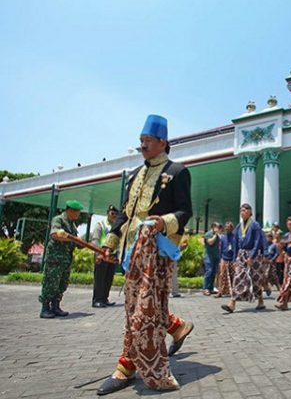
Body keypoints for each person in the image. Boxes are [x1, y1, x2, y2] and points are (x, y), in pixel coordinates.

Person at [96, 114, 194, 395]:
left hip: (156, 255)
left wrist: (165, 221)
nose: (142, 145)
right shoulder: (135, 175)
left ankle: (126, 365)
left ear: (163, 141)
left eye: (147, 140)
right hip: (132, 253)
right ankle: (177, 327)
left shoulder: (177, 172)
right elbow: (125, 215)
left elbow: (185, 211)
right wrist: (110, 244)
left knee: (142, 310)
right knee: (142, 307)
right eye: (140, 140)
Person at [39, 200, 83, 319]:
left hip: (66, 258)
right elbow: (54, 235)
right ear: (70, 210)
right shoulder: (58, 220)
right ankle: (45, 308)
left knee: (62, 283)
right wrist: (73, 239)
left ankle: (56, 306)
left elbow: (73, 239)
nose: (78, 214)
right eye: (77, 212)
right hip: (55, 258)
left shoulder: (71, 224)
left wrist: (79, 243)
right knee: (51, 282)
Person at [221, 204, 266, 313]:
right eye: (241, 210)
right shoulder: (238, 227)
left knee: (255, 279)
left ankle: (260, 301)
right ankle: (232, 304)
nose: (242, 212)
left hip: (253, 255)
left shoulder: (255, 225)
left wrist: (252, 256)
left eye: (245, 210)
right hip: (241, 255)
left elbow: (257, 242)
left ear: (250, 212)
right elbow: (235, 244)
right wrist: (235, 258)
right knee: (238, 277)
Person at [91, 204, 118, 308]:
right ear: (107, 213)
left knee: (108, 279)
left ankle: (104, 299)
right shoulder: (100, 224)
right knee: (99, 279)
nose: (114, 215)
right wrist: (98, 253)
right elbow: (95, 239)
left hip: (111, 257)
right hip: (101, 255)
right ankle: (97, 300)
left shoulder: (117, 226)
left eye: (116, 214)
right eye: (112, 213)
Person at [215, 221, 235, 298]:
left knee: (233, 275)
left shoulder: (234, 237)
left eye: (229, 227)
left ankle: (233, 291)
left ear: (232, 228)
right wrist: (220, 259)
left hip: (232, 258)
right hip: (224, 258)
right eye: (226, 227)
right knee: (222, 275)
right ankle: (220, 291)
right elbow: (220, 248)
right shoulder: (223, 238)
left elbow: (236, 248)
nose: (227, 228)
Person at [202, 222, 221, 296]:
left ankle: (210, 288)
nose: (218, 229)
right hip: (209, 256)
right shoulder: (208, 234)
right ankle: (205, 289)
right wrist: (216, 234)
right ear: (213, 227)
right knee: (209, 271)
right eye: (217, 227)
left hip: (216, 256)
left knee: (213, 272)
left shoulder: (218, 236)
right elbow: (210, 242)